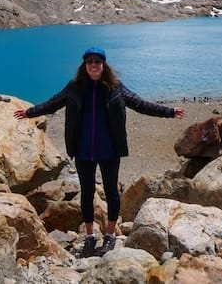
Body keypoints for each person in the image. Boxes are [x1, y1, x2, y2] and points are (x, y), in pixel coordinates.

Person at [14, 46, 185, 258]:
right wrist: (30, 112)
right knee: (86, 193)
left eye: (97, 62)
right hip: (83, 150)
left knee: (111, 192)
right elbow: (53, 103)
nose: (93, 65)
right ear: (84, 66)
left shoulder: (115, 87)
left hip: (109, 150)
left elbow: (140, 104)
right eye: (90, 62)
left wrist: (168, 112)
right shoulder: (74, 87)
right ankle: (89, 237)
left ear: (103, 66)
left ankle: (111, 235)